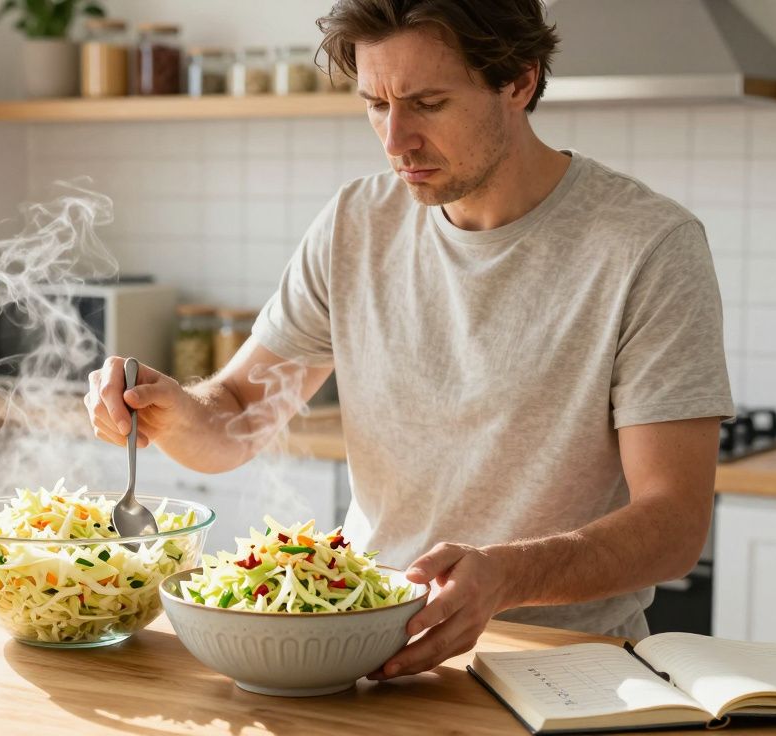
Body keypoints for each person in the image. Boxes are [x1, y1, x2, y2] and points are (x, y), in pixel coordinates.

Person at [83, 0, 732, 680]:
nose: (395, 140)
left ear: (519, 82)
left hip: (565, 668)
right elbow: (239, 413)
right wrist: (174, 409)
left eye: (426, 103)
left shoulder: (648, 246)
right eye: (375, 104)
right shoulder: (353, 225)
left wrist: (505, 577)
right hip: (364, 651)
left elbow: (674, 524)